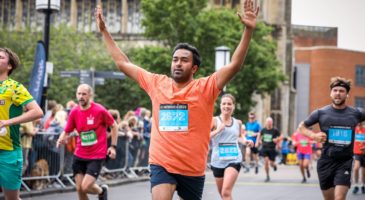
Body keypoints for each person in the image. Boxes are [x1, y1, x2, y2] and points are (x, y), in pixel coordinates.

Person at [95, 0, 259, 199]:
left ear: (194, 68)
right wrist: (104, 32)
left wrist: (248, 31)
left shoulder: (205, 87)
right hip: (162, 162)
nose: (178, 64)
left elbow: (234, 65)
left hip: (192, 169)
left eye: (184, 60)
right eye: (175, 59)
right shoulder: (157, 83)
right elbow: (123, 63)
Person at [298, 77, 365, 200]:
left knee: (339, 198)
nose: (338, 93)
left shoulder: (356, 113)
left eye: (341, 91)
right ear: (331, 93)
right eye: (335, 90)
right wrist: (313, 136)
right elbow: (301, 127)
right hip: (326, 162)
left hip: (345, 162)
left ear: (347, 94)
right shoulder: (320, 113)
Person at [56, 84, 118, 200]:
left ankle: (101, 191)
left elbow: (114, 126)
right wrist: (61, 139)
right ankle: (101, 191)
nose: (81, 97)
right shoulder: (74, 112)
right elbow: (67, 130)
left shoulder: (99, 110)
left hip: (96, 155)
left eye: (84, 94)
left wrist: (113, 146)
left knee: (85, 187)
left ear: (90, 95)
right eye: (79, 94)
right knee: (79, 189)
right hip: (79, 154)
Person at [0, 47, 44, 200]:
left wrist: (7, 122)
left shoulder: (15, 87)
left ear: (9, 65)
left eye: (0, 57)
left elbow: (37, 112)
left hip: (9, 152)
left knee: (12, 198)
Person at [210, 94, 253, 199]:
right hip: (217, 160)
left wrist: (246, 141)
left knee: (226, 192)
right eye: (224, 103)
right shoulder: (214, 120)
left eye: (229, 104)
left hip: (234, 159)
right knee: (223, 195)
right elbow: (205, 137)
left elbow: (239, 137)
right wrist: (218, 130)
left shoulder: (238, 123)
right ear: (220, 105)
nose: (226, 106)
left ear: (233, 106)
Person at [256, 117, 280, 182]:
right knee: (266, 161)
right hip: (264, 148)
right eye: (267, 122)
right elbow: (259, 136)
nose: (269, 124)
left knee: (271, 163)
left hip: (272, 148)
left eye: (270, 122)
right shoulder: (263, 130)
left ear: (272, 123)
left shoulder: (275, 130)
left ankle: (274, 165)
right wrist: (259, 141)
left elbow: (280, 136)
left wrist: (277, 140)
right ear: (266, 123)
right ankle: (267, 176)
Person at [352, 122, 365, 194]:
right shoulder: (355, 130)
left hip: (364, 153)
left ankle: (363, 185)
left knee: (363, 173)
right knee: (356, 168)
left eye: (360, 124)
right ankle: (356, 185)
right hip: (357, 153)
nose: (359, 125)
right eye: (358, 124)